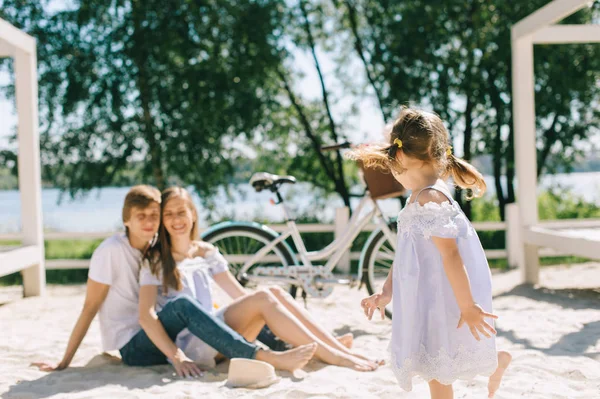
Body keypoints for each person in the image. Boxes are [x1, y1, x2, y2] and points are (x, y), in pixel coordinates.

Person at [33, 185, 317, 378]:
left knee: (244, 303)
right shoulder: (110, 251)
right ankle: (266, 357)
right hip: (134, 345)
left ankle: (292, 345)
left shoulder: (154, 248)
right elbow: (89, 307)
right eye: (140, 217)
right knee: (185, 304)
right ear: (126, 220)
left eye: (154, 216)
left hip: (164, 333)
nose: (148, 222)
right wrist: (64, 361)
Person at [353, 108, 512, 399]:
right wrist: (386, 292)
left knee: (437, 365)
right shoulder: (419, 196)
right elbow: (405, 250)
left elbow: (452, 256)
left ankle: (494, 362)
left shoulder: (430, 198)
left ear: (399, 158)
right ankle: (495, 361)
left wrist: (467, 306)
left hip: (443, 295)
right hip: (426, 294)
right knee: (440, 359)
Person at [139, 186, 382, 372]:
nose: (176, 219)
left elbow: (239, 295)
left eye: (181, 212)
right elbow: (147, 314)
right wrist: (175, 356)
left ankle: (334, 347)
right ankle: (335, 354)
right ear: (162, 219)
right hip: (194, 342)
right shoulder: (157, 259)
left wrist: (272, 313)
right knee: (265, 296)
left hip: (220, 334)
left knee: (273, 292)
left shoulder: (205, 252)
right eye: (168, 214)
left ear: (193, 214)